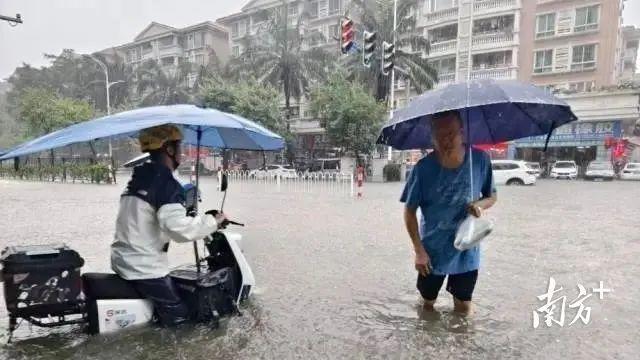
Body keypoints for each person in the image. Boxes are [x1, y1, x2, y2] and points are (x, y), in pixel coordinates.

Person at [111, 125, 227, 326]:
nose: (181, 151)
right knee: (181, 317)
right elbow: (180, 231)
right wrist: (213, 221)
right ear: (170, 150)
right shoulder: (165, 184)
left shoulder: (138, 178)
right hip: (144, 267)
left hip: (124, 260)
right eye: (179, 146)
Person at [401, 110, 497, 315]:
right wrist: (419, 251)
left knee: (463, 307)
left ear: (462, 132)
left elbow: (492, 196)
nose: (446, 140)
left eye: (451, 134)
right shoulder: (423, 169)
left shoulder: (480, 160)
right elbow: (409, 212)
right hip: (432, 252)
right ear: (432, 137)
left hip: (467, 248)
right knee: (427, 304)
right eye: (439, 135)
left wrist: (480, 205)